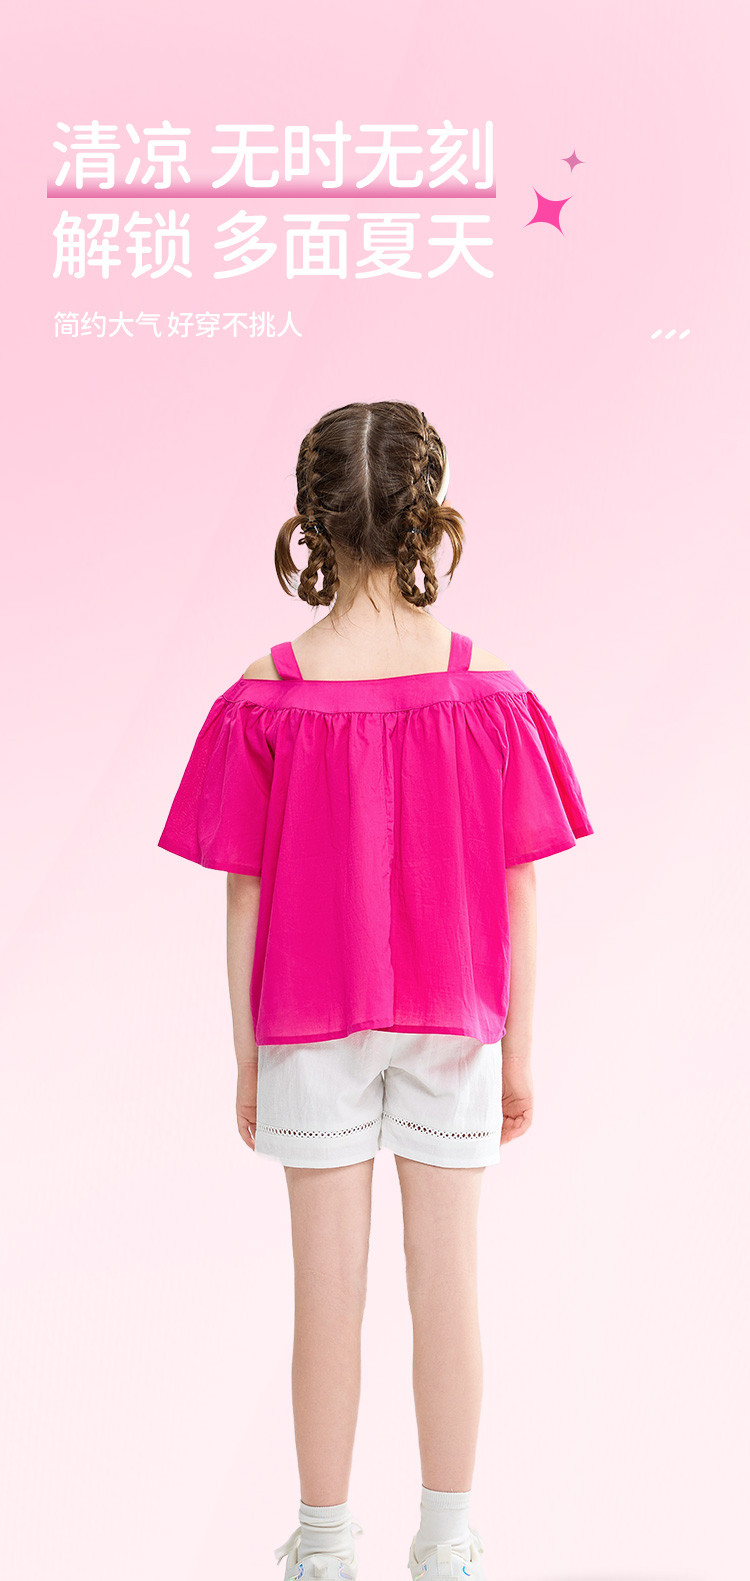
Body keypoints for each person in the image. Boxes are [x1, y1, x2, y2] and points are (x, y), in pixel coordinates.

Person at [157, 400, 594, 1581]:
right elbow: (519, 882)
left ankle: (322, 1544)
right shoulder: (487, 691)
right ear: (424, 515)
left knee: (326, 1296)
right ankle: (447, 1541)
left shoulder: (268, 691)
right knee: (450, 1287)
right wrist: (520, 1048)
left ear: (313, 521)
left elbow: (244, 894)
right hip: (457, 1017)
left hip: (306, 1024)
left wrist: (247, 1056)